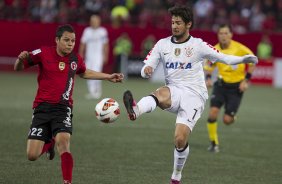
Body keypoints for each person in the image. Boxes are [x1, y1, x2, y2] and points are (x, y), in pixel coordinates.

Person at [122, 6, 258, 184]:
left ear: (188, 24)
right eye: (172, 22)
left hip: (195, 95)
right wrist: (146, 70)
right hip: (174, 90)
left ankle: (176, 175)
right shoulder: (162, 44)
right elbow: (146, 67)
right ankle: (136, 110)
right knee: (160, 92)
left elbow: (223, 57)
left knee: (179, 139)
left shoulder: (198, 45)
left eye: (178, 23)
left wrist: (244, 59)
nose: (174, 26)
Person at [14, 24, 123, 184]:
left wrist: (108, 76)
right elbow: (19, 68)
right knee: (32, 155)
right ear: (57, 40)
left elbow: (84, 72)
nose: (70, 43)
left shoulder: (75, 59)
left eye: (73, 41)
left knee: (64, 142)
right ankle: (49, 142)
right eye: (66, 40)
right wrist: (19, 59)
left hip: (62, 108)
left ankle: (67, 181)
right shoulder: (43, 53)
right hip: (42, 108)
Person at [204, 24, 256, 153]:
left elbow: (253, 61)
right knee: (212, 113)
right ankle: (213, 143)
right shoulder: (214, 50)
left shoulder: (240, 48)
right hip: (220, 86)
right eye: (221, 33)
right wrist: (209, 79)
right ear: (218, 35)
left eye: (226, 33)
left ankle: (232, 116)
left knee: (227, 120)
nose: (223, 36)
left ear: (231, 35)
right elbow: (209, 67)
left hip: (236, 88)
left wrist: (246, 80)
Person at [79, 14, 109, 99]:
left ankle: (98, 91)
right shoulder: (87, 31)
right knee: (87, 73)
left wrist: (105, 55)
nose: (94, 23)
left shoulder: (102, 31)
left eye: (96, 21)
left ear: (99, 22)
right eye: (93, 21)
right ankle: (91, 91)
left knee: (97, 72)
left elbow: (106, 44)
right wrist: (81, 54)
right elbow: (82, 43)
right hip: (89, 56)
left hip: (98, 56)